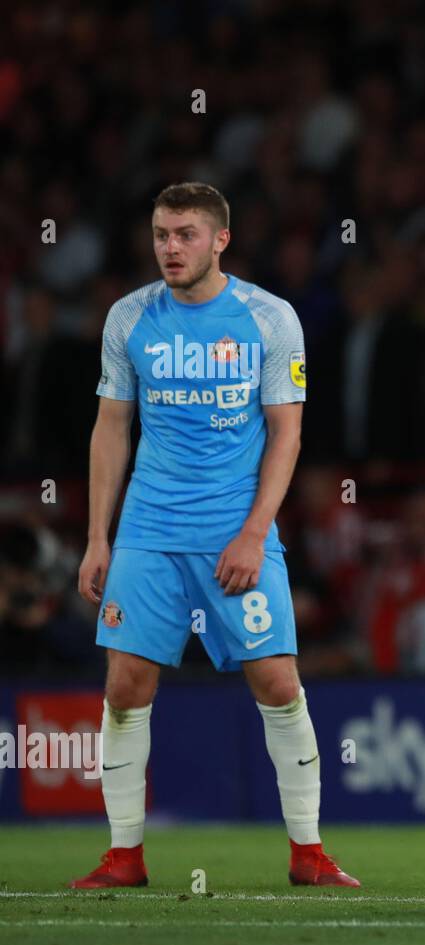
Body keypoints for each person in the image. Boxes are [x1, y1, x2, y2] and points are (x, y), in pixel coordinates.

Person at [72, 182, 358, 889]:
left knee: (277, 679)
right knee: (125, 685)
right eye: (162, 235)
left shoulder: (268, 318)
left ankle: (309, 852)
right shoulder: (130, 317)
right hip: (147, 531)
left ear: (220, 239)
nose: (170, 248)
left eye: (185, 235)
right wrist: (97, 538)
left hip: (235, 529)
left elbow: (287, 434)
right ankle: (124, 855)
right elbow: (111, 428)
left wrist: (255, 533)